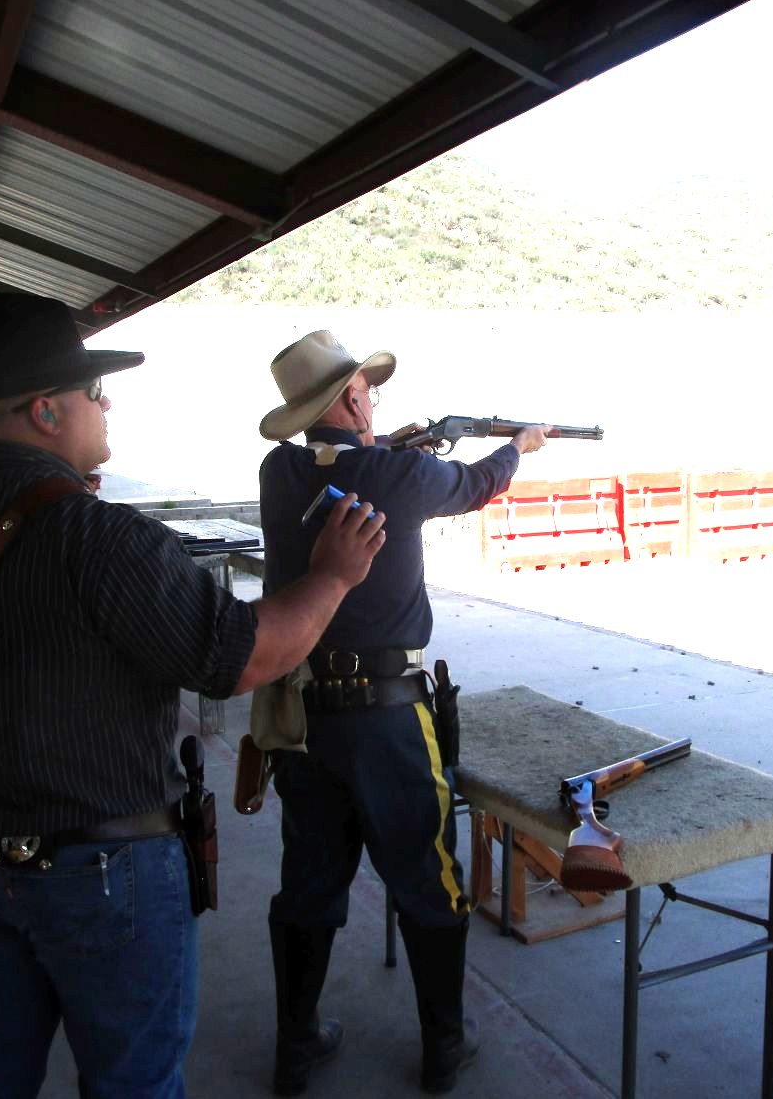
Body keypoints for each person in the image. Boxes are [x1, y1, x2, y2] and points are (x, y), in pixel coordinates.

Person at [0, 293, 386, 1099]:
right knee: (133, 1080)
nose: (106, 406)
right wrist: (332, 576)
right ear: (46, 410)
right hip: (95, 867)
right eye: (93, 392)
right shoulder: (96, 534)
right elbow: (245, 658)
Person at [255, 330, 545, 1095]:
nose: (372, 400)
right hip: (388, 716)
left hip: (304, 714)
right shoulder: (400, 473)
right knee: (428, 874)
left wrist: (393, 447)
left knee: (309, 877)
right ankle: (444, 1045)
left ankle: (295, 1044)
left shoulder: (279, 471)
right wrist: (518, 446)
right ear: (353, 398)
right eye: (366, 392)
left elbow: (343, 465)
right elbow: (478, 483)